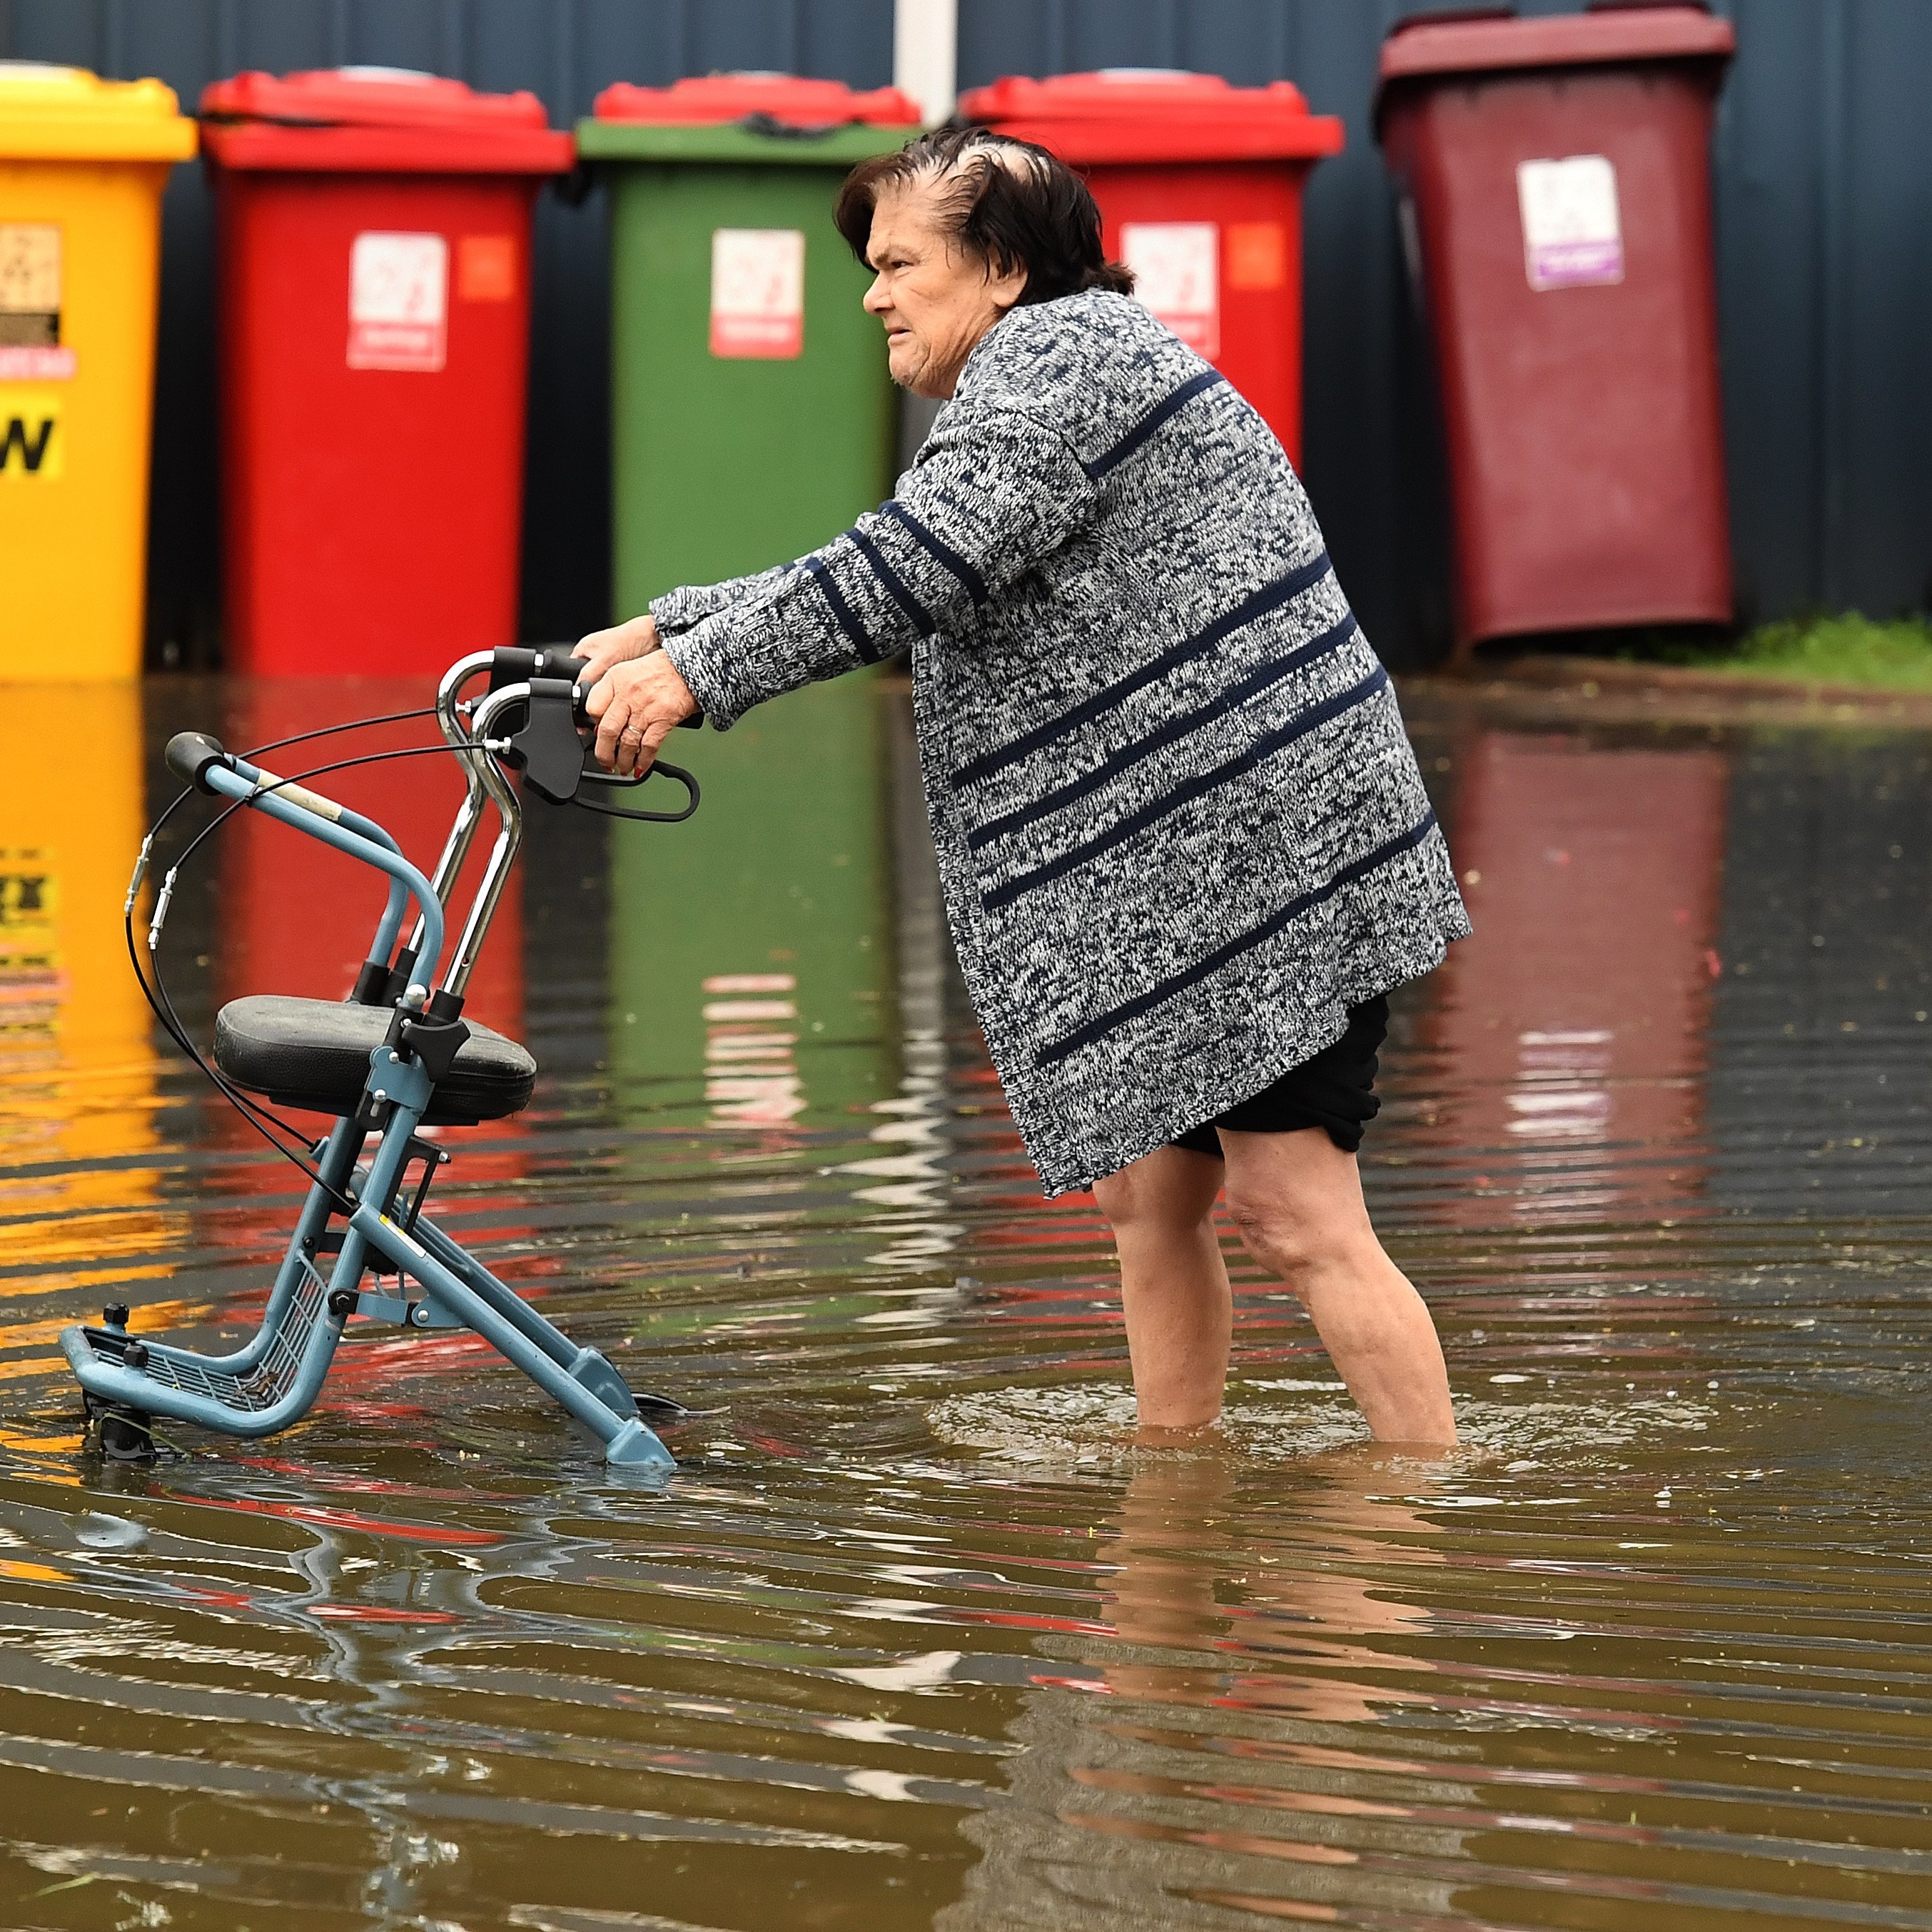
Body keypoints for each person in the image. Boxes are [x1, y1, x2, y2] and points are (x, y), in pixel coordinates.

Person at [576, 128, 1470, 1444]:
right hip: (1200, 873)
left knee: (1296, 1210)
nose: (873, 294)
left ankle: (1421, 1520)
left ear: (999, 270)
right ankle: (1176, 1496)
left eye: (900, 263)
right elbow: (908, 550)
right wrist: (680, 626)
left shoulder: (1059, 372)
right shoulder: (1039, 378)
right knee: (1148, 1205)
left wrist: (703, 673)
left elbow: (909, 570)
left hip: (1268, 869)